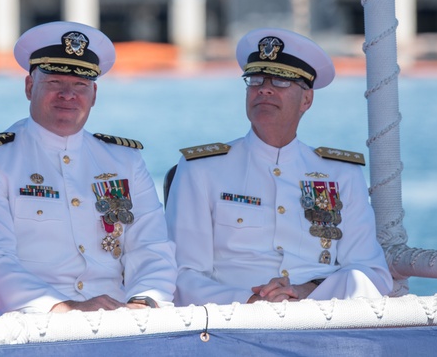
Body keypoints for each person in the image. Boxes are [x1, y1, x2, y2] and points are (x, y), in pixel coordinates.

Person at [0, 21, 176, 316]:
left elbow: (152, 247)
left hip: (111, 324)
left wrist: (144, 302)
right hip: (15, 325)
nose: (68, 95)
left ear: (94, 95)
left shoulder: (125, 162)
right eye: (54, 82)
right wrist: (62, 309)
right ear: (30, 87)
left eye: (80, 85)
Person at [166, 27, 392, 305]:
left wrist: (307, 292)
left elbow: (373, 275)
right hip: (233, 324)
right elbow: (182, 275)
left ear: (306, 100)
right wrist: (250, 301)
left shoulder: (342, 174)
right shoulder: (200, 170)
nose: (265, 89)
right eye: (256, 80)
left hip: (319, 319)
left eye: (281, 82)